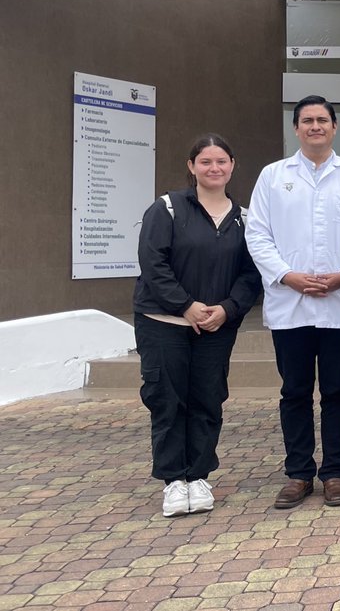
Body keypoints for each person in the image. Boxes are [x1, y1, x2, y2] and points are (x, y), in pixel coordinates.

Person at [246, 95, 340, 510]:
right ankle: (299, 473)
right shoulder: (273, 176)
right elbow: (257, 234)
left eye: (323, 120)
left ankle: (335, 472)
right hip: (291, 305)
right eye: (307, 120)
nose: (315, 126)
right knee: (295, 392)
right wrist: (288, 275)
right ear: (296, 128)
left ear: (335, 127)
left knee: (338, 392)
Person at [133, 134, 262, 517]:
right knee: (168, 399)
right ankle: (174, 480)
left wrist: (227, 308)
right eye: (205, 161)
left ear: (232, 166)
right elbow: (153, 264)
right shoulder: (168, 208)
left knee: (207, 398)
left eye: (221, 161)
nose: (214, 168)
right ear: (192, 166)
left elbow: (250, 274)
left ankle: (199, 476)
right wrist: (186, 306)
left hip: (216, 326)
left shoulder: (244, 218)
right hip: (164, 322)